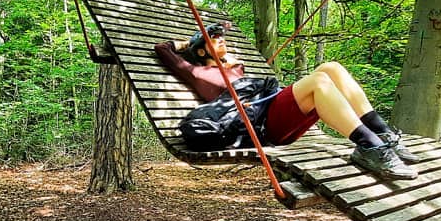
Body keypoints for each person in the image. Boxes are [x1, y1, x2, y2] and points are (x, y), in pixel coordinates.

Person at [156, 24, 419, 180]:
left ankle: (383, 135)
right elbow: (162, 49)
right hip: (262, 125)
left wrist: (223, 52)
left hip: (272, 114)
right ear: (201, 50)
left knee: (332, 67)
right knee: (319, 82)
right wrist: (188, 44)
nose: (221, 39)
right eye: (213, 39)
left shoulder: (236, 69)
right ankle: (370, 146)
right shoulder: (198, 72)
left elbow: (227, 47)